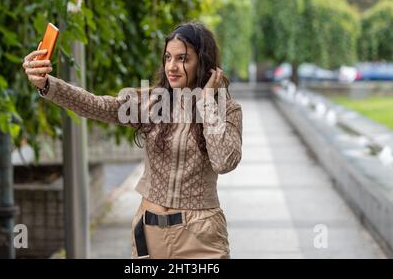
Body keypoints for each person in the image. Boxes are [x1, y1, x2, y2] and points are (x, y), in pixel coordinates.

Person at [22, 22, 243, 259]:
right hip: (150, 233)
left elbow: (224, 162)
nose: (172, 66)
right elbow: (98, 105)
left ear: (204, 63)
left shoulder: (226, 110)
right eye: (168, 57)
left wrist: (207, 100)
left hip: (201, 238)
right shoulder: (153, 102)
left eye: (183, 59)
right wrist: (46, 84)